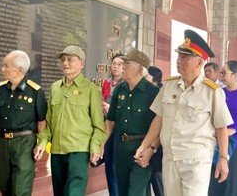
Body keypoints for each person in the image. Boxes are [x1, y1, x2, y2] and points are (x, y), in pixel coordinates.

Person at [135, 29, 233, 196]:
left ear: (199, 62)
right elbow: (159, 119)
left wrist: (223, 159)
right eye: (179, 56)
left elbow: (221, 127)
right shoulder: (169, 86)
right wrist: (145, 146)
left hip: (196, 160)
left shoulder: (212, 92)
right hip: (170, 158)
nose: (179, 61)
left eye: (185, 57)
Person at [33, 45, 106, 196]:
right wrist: (42, 142)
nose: (65, 63)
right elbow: (49, 122)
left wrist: (95, 146)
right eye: (63, 60)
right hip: (57, 151)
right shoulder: (55, 88)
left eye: (70, 60)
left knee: (73, 192)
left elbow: (99, 126)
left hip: (79, 151)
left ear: (81, 64)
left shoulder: (91, 90)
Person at [0, 50, 47, 196]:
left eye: (6, 66)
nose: (3, 69)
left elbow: (42, 122)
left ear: (19, 69)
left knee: (21, 189)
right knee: (3, 184)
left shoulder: (35, 92)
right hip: (3, 144)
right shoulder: (2, 89)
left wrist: (40, 145)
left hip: (24, 144)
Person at [105, 48, 159, 196]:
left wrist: (150, 149)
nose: (123, 66)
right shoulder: (119, 90)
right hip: (121, 148)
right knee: (121, 191)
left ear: (140, 69)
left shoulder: (152, 93)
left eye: (127, 63)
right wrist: (101, 144)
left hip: (141, 150)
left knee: (135, 192)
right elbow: (110, 121)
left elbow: (159, 126)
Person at [208, 60, 237, 196]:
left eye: (224, 72)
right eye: (220, 72)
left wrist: (233, 130)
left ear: (235, 75)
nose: (221, 75)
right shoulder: (218, 92)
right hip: (216, 142)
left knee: (232, 183)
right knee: (215, 180)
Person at [101, 52, 124, 196]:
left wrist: (113, 109)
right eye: (114, 63)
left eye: (120, 64)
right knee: (108, 164)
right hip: (107, 125)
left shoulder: (126, 85)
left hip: (119, 129)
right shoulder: (107, 83)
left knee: (116, 166)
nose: (116, 67)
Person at [146, 66, 164, 196]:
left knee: (157, 180)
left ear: (155, 80)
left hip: (157, 147)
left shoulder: (161, 95)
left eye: (146, 76)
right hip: (144, 144)